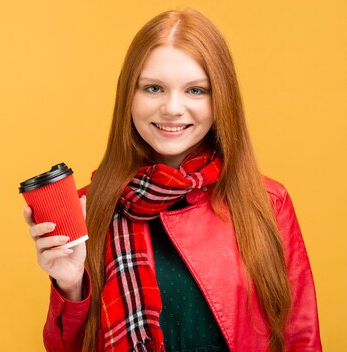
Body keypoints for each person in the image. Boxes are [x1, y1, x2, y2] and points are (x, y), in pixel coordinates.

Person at [23, 8, 321, 352]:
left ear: (221, 98)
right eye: (153, 88)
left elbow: (302, 339)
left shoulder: (268, 202)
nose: (173, 108)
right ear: (128, 97)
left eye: (195, 90)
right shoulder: (91, 205)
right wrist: (70, 285)